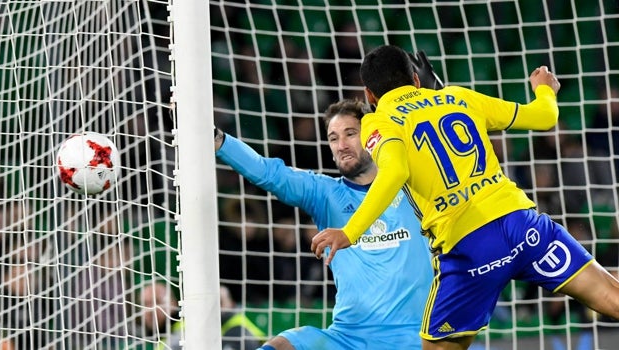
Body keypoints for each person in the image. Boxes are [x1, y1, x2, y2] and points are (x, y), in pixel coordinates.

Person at [310, 44, 619, 350]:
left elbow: (393, 172)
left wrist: (350, 232)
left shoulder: (377, 121)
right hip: (522, 225)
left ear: (369, 96)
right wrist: (544, 90)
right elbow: (543, 117)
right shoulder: (459, 96)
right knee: (611, 298)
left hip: (468, 250)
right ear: (415, 80)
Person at [215, 97, 433, 349]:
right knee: (283, 344)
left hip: (414, 339)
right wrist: (219, 141)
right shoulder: (325, 194)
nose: (341, 145)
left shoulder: (414, 187)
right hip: (347, 338)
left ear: (375, 138)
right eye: (333, 138)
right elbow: (269, 173)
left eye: (350, 133)